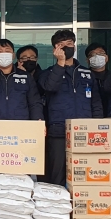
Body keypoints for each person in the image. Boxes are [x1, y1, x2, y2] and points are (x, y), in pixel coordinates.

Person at [38, 30, 103, 186]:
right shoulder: (47, 73)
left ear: (74, 46)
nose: (66, 47)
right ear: (55, 49)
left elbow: (95, 103)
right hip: (58, 131)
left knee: (85, 173)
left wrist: (98, 127)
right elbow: (50, 87)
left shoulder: (87, 73)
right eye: (61, 45)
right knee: (58, 174)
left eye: (69, 44)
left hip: (85, 130)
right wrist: (60, 64)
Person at [0, 39, 43, 121]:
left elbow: (34, 102)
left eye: (7, 51)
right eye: (0, 51)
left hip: (20, 123)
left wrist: (38, 120)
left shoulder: (25, 76)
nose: (4, 54)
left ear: (13, 55)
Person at [84, 42, 109, 117]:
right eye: (93, 54)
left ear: (107, 58)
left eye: (101, 53)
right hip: (90, 116)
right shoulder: (83, 78)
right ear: (87, 60)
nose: (97, 56)